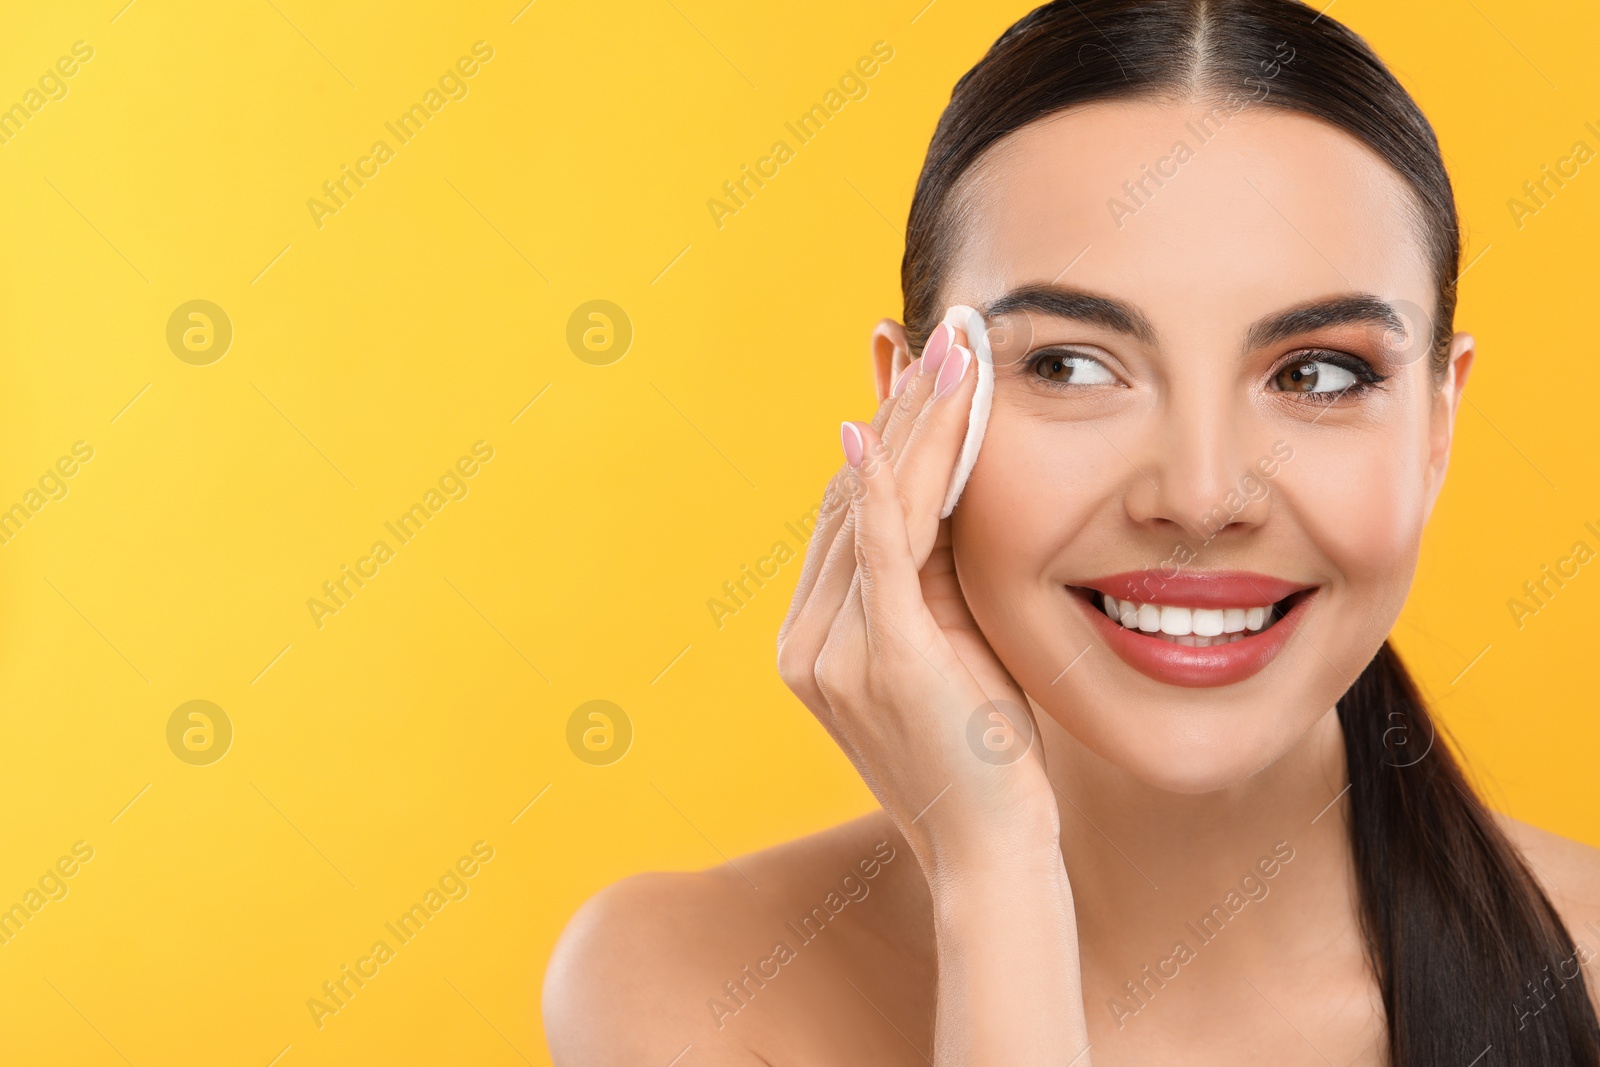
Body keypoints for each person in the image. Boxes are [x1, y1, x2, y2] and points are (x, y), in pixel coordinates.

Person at [544, 2, 1600, 1063]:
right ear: (914, 411)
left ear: (1435, 425)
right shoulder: (692, 986)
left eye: (1317, 373)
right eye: (1070, 364)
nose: (1199, 495)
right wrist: (994, 878)